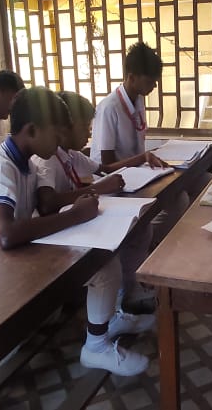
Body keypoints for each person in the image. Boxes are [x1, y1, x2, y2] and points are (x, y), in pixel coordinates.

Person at [0, 87, 155, 376]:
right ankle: (96, 347)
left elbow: (42, 210)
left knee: (103, 255)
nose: (59, 142)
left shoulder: (26, 164)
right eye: (56, 133)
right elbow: (7, 234)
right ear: (32, 130)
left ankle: (106, 322)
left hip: (13, 256)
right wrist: (76, 215)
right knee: (102, 267)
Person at [33, 91, 160, 309]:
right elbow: (47, 203)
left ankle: (130, 290)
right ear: (65, 128)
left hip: (76, 221)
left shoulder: (70, 154)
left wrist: (143, 157)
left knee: (141, 229)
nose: (89, 133)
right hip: (58, 231)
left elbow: (105, 169)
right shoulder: (47, 160)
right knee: (109, 260)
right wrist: (98, 188)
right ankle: (119, 304)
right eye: (85, 127)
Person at [90, 41, 191, 248]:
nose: (154, 85)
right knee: (148, 224)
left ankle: (152, 244)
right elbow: (106, 165)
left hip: (135, 176)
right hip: (113, 183)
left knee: (180, 199)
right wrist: (142, 159)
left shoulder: (137, 100)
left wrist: (144, 162)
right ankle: (149, 244)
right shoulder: (109, 108)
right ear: (132, 77)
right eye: (150, 80)